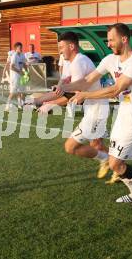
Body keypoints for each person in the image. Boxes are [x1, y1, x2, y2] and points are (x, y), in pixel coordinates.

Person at [58, 23, 132, 208]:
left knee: (115, 163)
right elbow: (87, 80)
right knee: (114, 161)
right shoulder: (110, 59)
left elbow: (116, 90)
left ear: (124, 39)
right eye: (108, 40)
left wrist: (85, 95)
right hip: (123, 114)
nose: (108, 44)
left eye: (111, 40)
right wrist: (64, 87)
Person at [51, 32, 110, 179]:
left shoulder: (78, 62)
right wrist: (43, 99)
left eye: (61, 47)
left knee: (70, 147)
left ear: (71, 46)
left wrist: (50, 105)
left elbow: (76, 96)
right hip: (94, 108)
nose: (60, 51)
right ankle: (116, 165)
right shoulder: (73, 62)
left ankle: (113, 163)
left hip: (96, 110)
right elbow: (63, 84)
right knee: (97, 146)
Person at [5, 42, 28, 111]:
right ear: (16, 49)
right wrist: (20, 71)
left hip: (20, 75)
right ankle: (7, 106)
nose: (21, 49)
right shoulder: (14, 55)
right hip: (14, 76)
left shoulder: (22, 55)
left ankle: (19, 105)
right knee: (13, 92)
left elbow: (24, 64)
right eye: (19, 48)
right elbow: (11, 67)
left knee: (19, 90)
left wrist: (26, 72)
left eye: (21, 47)